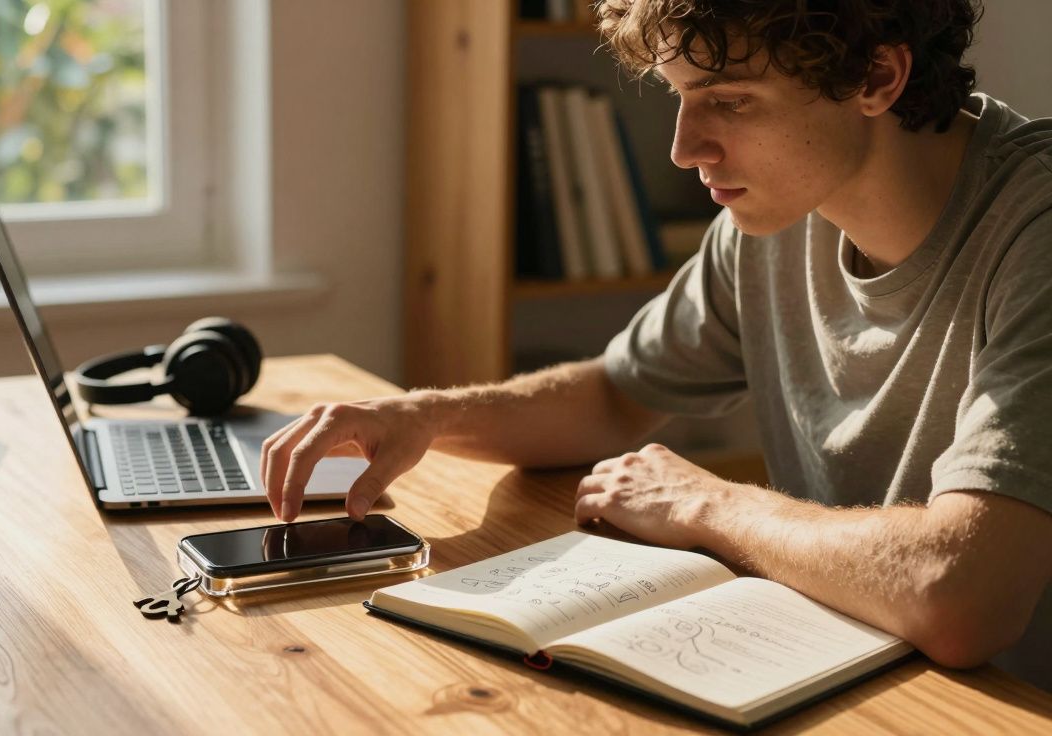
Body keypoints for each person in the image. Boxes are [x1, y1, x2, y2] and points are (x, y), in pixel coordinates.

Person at [261, 0, 1052, 689]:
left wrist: (708, 503)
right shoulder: (772, 221)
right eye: (678, 97)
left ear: (878, 77)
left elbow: (962, 597)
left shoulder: (1034, 231)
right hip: (845, 669)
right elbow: (615, 394)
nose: (683, 148)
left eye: (730, 101)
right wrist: (425, 416)